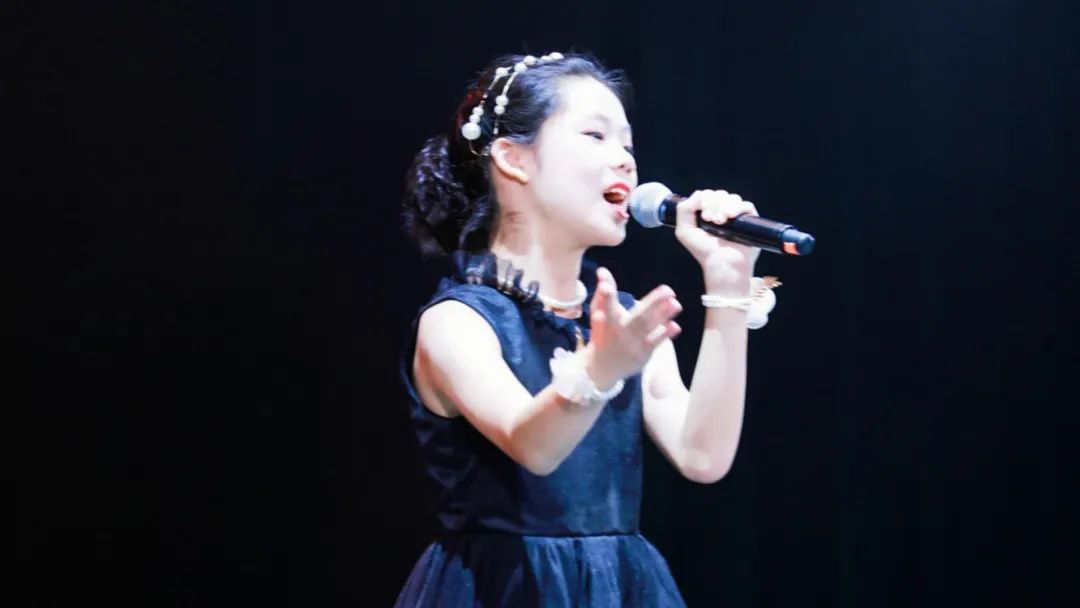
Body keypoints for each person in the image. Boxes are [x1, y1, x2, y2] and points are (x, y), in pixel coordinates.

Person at [396, 51, 775, 607]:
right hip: (502, 589)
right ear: (514, 160)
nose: (625, 160)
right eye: (596, 136)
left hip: (619, 588)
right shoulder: (457, 321)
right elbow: (533, 445)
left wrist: (727, 286)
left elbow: (702, 456)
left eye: (628, 145)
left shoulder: (620, 322)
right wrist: (600, 370)